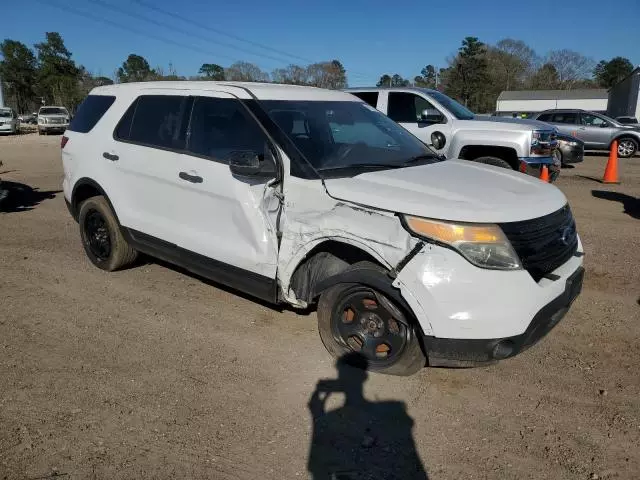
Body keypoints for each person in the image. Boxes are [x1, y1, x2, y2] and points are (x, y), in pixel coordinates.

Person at [307, 353, 428, 480]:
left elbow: (318, 468)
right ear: (364, 377)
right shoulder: (393, 409)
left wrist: (317, 414)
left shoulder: (334, 416)